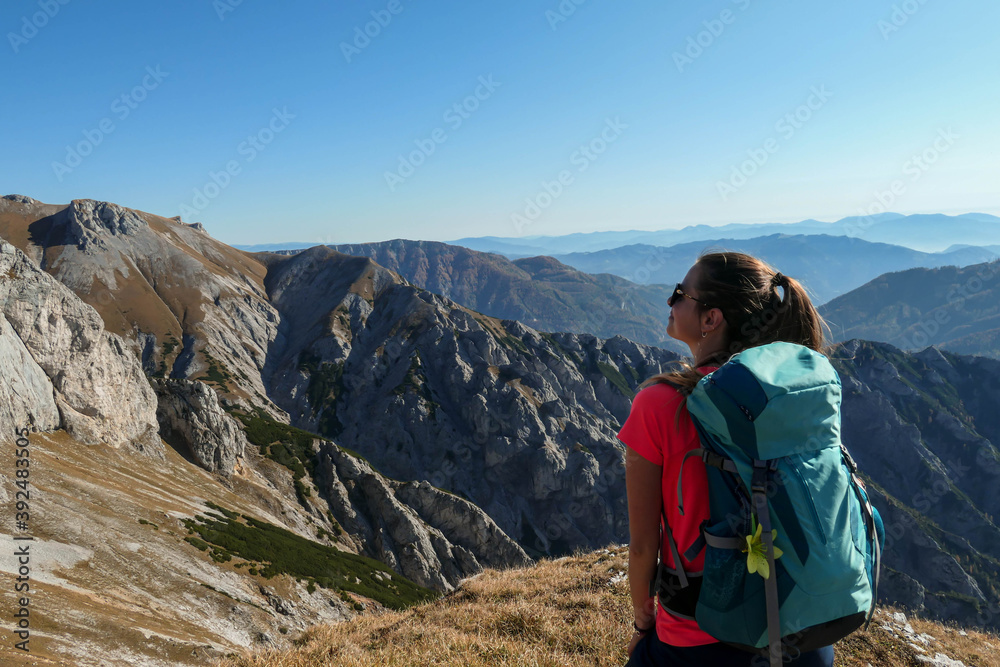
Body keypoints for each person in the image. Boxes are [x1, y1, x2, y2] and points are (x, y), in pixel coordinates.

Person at [618, 251, 836, 666]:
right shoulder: (794, 396)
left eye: (679, 293)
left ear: (710, 319)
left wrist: (643, 626)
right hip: (806, 633)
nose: (669, 301)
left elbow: (644, 548)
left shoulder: (660, 404)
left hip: (703, 640)